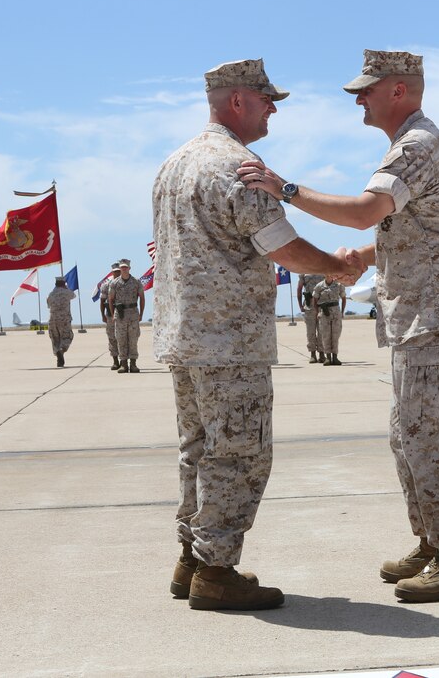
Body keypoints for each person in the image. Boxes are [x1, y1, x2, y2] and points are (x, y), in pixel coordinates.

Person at [238, 49, 439, 603]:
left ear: (399, 90)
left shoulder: (417, 146)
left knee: (430, 440)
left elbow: (365, 209)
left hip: (432, 319)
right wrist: (371, 255)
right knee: (408, 438)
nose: (357, 99)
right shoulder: (410, 146)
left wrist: (286, 189)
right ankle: (431, 540)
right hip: (416, 317)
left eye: (366, 89)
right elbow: (413, 229)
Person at [152, 58, 363, 611]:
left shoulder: (174, 164)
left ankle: (190, 559)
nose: (274, 109)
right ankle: (217, 572)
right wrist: (336, 268)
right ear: (239, 101)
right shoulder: (238, 167)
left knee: (197, 450)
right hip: (229, 341)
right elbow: (283, 248)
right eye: (269, 99)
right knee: (240, 453)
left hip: (184, 339)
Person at [108, 259, 145, 373]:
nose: (124, 269)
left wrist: (141, 314)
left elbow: (142, 298)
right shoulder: (114, 283)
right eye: (122, 267)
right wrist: (113, 314)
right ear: (120, 269)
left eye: (126, 267)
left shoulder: (136, 282)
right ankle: (123, 364)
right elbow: (110, 299)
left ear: (129, 268)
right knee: (121, 339)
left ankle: (133, 364)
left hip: (133, 313)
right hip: (120, 314)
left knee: (133, 339)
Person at [312, 275, 346, 365]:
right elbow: (314, 300)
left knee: (335, 335)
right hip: (324, 313)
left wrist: (342, 312)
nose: (329, 274)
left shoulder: (339, 285)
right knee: (325, 335)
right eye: (327, 273)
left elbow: (343, 298)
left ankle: (335, 357)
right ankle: (328, 358)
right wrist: (317, 312)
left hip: (336, 312)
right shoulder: (319, 286)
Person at [46, 275, 76, 367]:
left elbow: (48, 305)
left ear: (55, 284)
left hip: (53, 320)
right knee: (67, 337)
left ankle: (58, 356)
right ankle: (61, 351)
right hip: (64, 319)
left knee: (55, 339)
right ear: (64, 284)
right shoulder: (67, 292)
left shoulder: (51, 294)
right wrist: (66, 288)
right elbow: (74, 295)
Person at [297, 273, 325, 362]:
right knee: (310, 332)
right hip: (309, 306)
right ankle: (312, 354)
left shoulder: (324, 269)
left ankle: (321, 354)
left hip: (322, 305)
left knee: (322, 331)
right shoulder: (304, 273)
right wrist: (300, 305)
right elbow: (299, 289)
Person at [100, 261, 121, 370]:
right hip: (110, 315)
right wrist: (102, 315)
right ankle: (115, 361)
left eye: (118, 271)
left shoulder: (125, 284)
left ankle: (124, 361)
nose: (117, 273)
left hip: (123, 315)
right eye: (115, 272)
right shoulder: (106, 285)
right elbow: (102, 301)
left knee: (122, 338)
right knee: (112, 338)